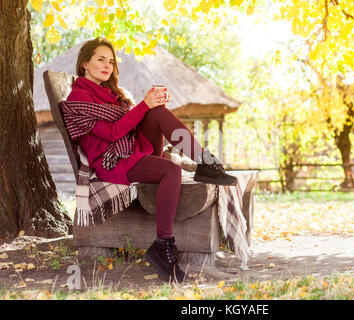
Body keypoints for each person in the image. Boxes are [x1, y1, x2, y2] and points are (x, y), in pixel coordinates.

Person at [65, 37, 237, 282]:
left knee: (157, 112)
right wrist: (143, 105)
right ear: (84, 64)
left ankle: (205, 162)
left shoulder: (109, 94)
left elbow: (129, 125)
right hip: (112, 162)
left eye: (111, 62)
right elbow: (113, 133)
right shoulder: (79, 99)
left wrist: (150, 105)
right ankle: (162, 244)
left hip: (131, 150)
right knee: (171, 172)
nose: (107, 66)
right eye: (100, 60)